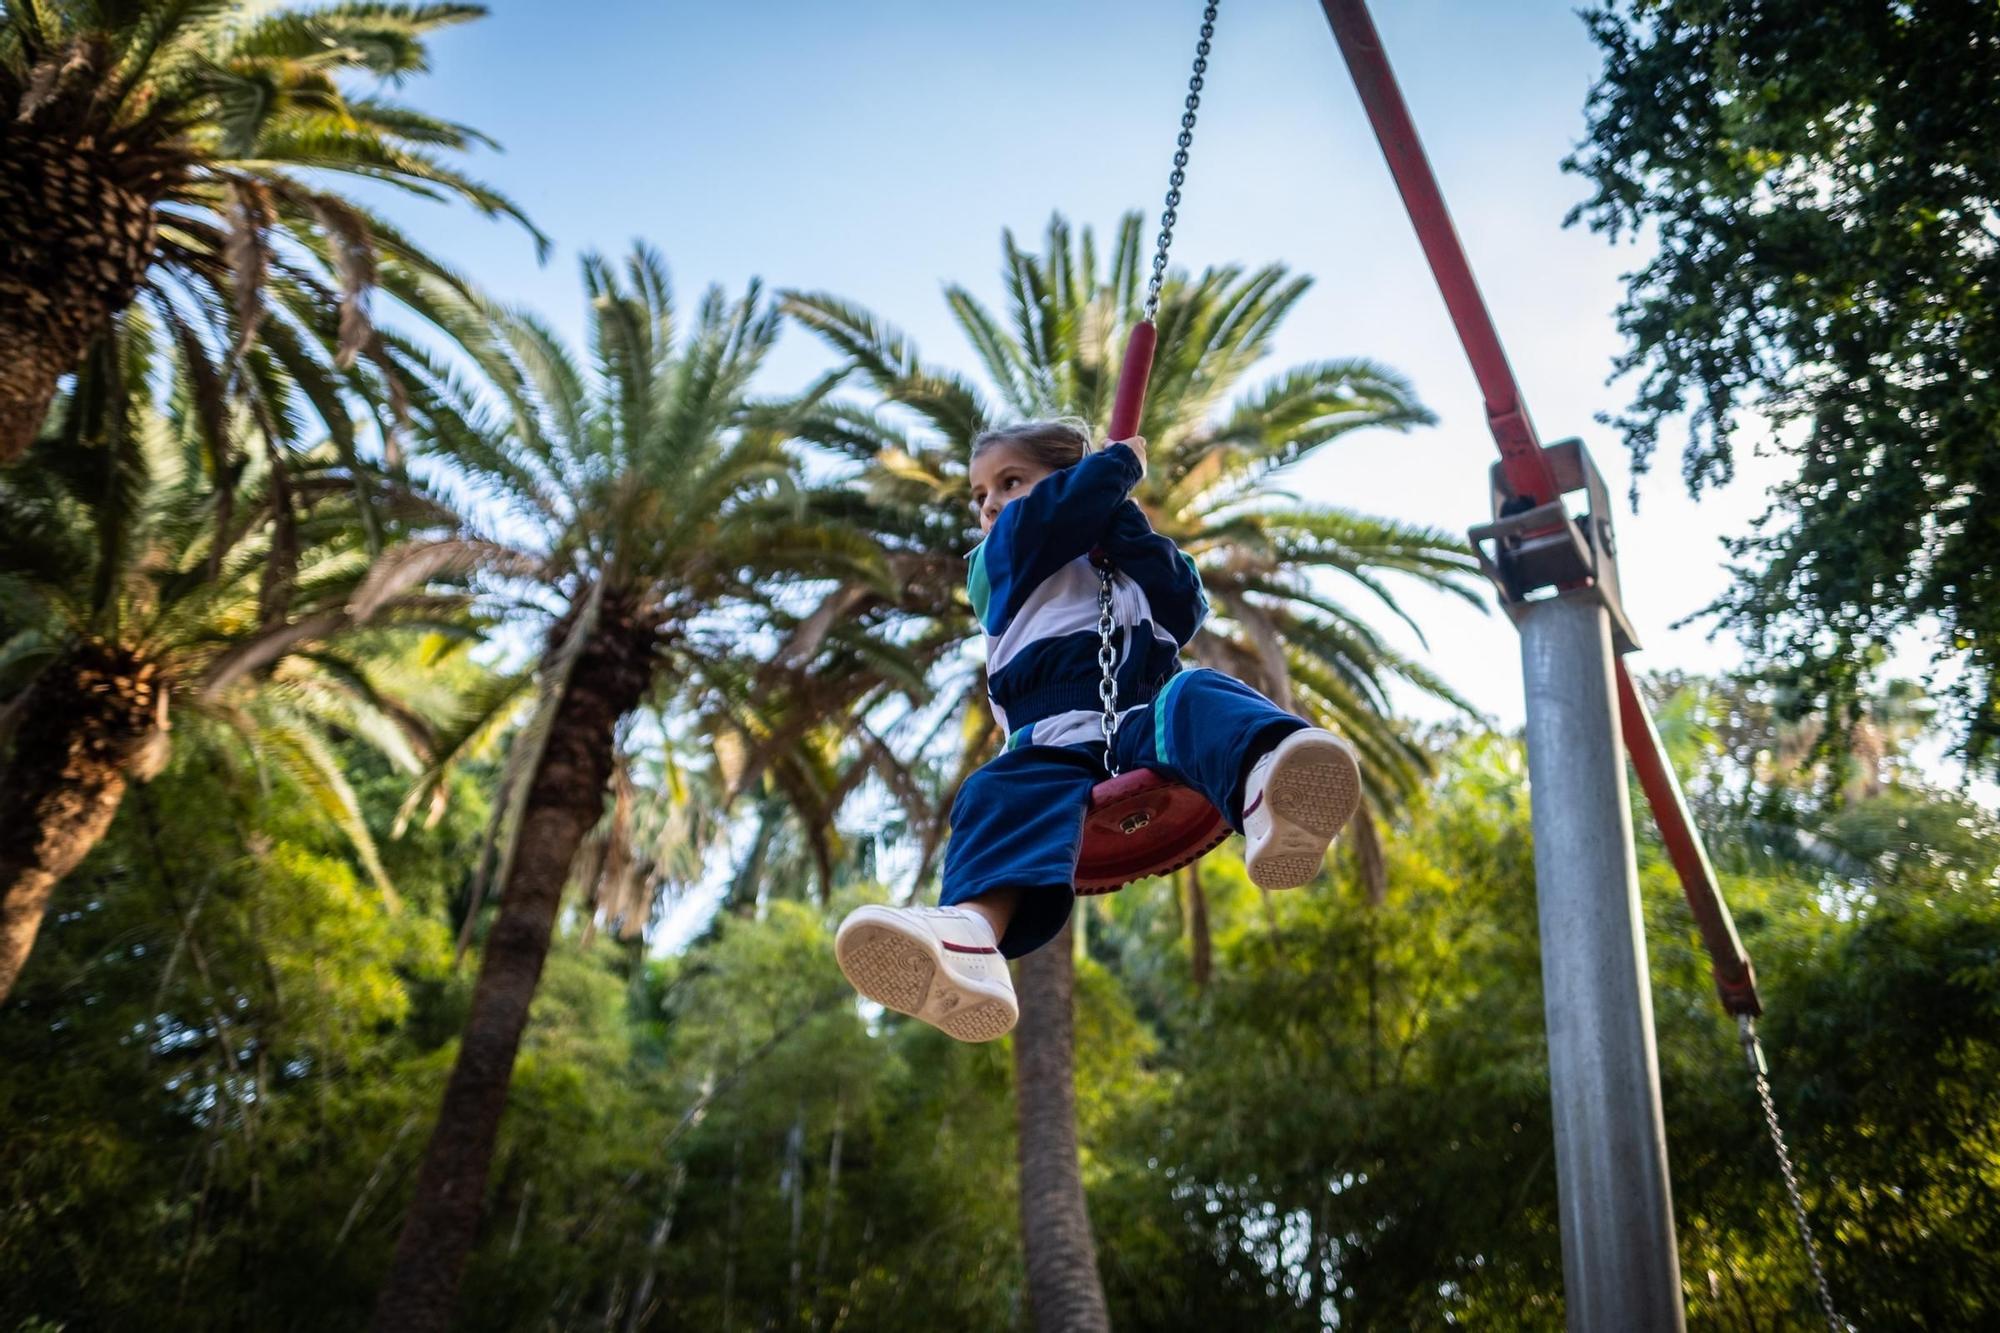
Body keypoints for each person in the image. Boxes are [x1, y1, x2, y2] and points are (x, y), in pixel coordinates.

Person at [834, 420, 1361, 1042]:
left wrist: (1120, 522)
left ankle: (1271, 790)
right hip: (1049, 735)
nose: (991, 503)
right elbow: (1050, 521)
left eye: (1011, 481)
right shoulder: (995, 562)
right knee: (994, 793)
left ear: (1064, 477)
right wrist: (1111, 473)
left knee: (1198, 693)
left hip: (1141, 718)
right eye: (979, 495)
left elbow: (1184, 602)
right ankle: (972, 937)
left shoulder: (1116, 551)